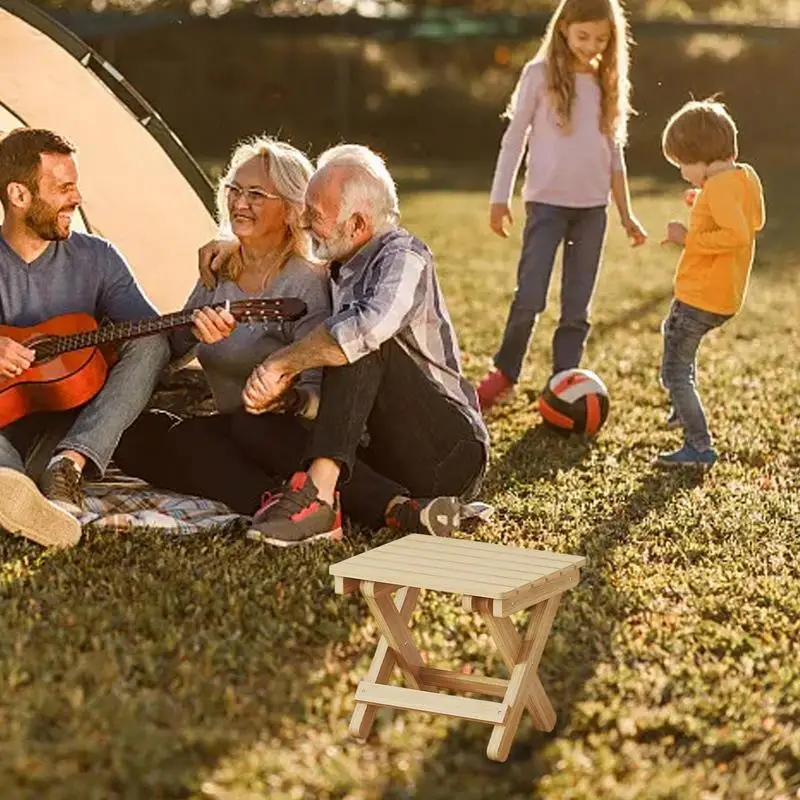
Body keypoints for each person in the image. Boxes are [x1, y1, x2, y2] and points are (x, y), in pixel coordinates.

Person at [221, 144, 490, 547]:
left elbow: (361, 335)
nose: (306, 223)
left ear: (358, 224)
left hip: (447, 453)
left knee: (355, 337)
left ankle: (321, 501)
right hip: (379, 451)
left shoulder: (404, 256)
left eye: (316, 216)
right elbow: (345, 402)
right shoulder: (335, 268)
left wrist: (283, 363)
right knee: (251, 425)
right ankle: (399, 509)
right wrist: (292, 401)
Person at [114, 137, 332, 511]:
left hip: (281, 433)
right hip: (229, 428)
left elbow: (319, 393)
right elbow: (174, 350)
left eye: (257, 194)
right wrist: (190, 332)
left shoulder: (306, 283)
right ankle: (247, 484)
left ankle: (268, 499)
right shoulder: (221, 269)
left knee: (193, 442)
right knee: (133, 436)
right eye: (234, 189)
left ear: (293, 209)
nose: (240, 203)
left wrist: (282, 398)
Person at [0, 128, 169, 548]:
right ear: (19, 196)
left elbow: (156, 345)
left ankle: (65, 471)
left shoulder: (98, 258)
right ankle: (22, 495)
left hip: (70, 423)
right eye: (63, 188)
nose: (76, 199)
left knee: (151, 342)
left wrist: (205, 321)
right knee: (7, 476)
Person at [476, 0, 647, 411]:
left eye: (601, 39)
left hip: (593, 211)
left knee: (577, 306)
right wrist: (500, 198)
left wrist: (626, 214)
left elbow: (615, 155)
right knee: (530, 296)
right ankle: (505, 373)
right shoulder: (538, 75)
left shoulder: (607, 80)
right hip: (546, 206)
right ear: (564, 29)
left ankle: (563, 381)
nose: (591, 46)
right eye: (583, 36)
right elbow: (514, 139)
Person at [656, 99, 765, 467]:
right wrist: (702, 199)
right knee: (672, 339)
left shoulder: (718, 189)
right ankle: (683, 410)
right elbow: (752, 219)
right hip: (723, 297)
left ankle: (698, 446)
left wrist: (687, 237)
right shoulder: (743, 176)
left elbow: (736, 235)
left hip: (701, 296)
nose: (683, 173)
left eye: (683, 166)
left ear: (699, 157)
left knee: (674, 370)